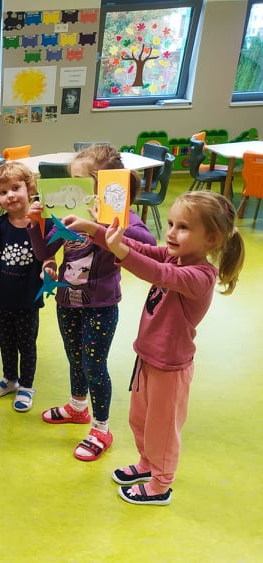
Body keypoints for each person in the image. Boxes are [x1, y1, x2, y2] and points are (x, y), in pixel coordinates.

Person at [63, 191, 244, 505]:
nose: (171, 232)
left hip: (169, 368)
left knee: (162, 429)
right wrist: (94, 230)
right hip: (147, 357)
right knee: (141, 419)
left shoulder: (200, 276)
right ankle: (147, 464)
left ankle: (161, 485)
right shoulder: (174, 256)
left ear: (212, 239)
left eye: (183, 227)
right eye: (171, 223)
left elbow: (157, 272)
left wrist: (118, 248)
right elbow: (141, 249)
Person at [28, 144, 157, 461]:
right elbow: (46, 250)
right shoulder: (68, 212)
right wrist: (35, 224)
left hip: (100, 305)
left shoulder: (122, 218)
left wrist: (99, 225)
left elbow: (148, 244)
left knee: (94, 366)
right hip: (67, 299)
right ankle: (77, 407)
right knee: (75, 359)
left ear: (105, 186)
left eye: (80, 182)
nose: (72, 189)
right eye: (71, 181)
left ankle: (101, 428)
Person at [0, 161, 54, 412]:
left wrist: (49, 269)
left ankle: (26, 386)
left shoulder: (42, 222)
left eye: (15, 188)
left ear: (29, 188)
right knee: (6, 342)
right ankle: (10, 379)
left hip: (27, 300)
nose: (9, 195)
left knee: (27, 345)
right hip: (1, 298)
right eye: (3, 192)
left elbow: (49, 256)